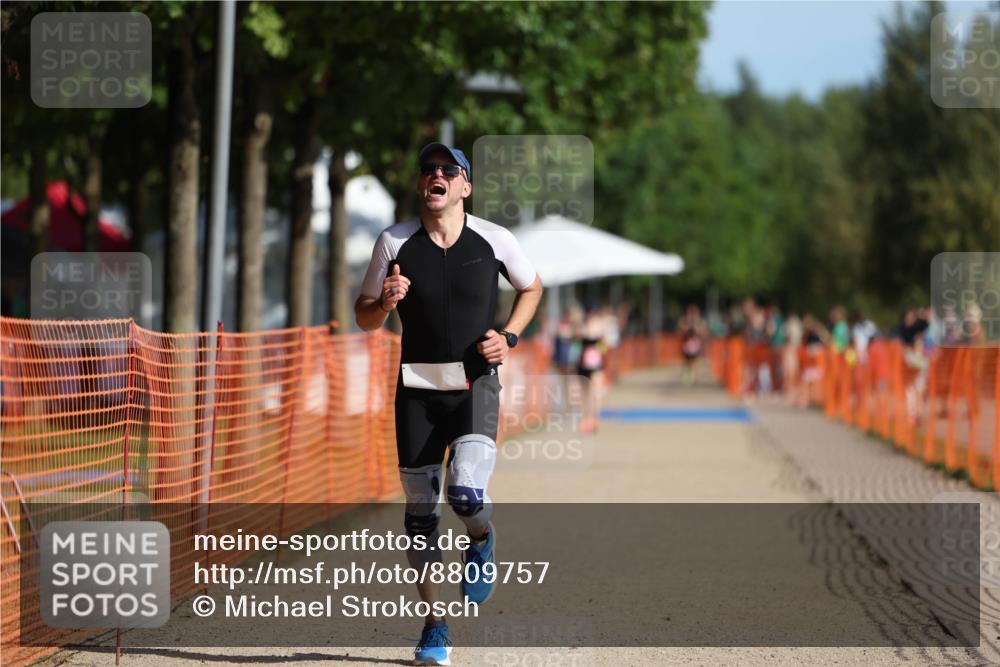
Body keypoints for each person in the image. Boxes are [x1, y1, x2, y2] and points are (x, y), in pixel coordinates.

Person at [355, 142, 543, 665]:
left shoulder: (494, 239)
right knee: (420, 514)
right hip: (415, 390)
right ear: (422, 185)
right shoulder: (393, 242)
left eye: (448, 170)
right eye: (428, 169)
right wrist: (385, 302)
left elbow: (532, 288)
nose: (436, 175)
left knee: (464, 493)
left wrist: (508, 336)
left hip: (474, 385)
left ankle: (481, 535)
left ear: (465, 185)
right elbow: (364, 316)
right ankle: (435, 626)